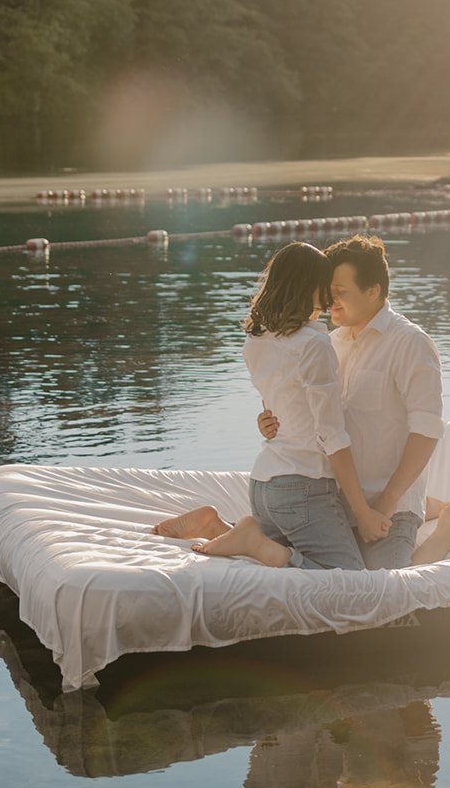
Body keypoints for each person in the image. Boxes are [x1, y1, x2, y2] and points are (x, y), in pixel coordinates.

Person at [152, 241, 389, 568]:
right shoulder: (314, 343)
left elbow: (278, 408)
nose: (332, 294)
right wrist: (362, 510)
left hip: (264, 485)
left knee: (273, 559)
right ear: (309, 285)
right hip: (302, 487)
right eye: (325, 283)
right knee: (349, 578)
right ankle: (249, 539)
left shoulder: (256, 339)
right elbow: (331, 434)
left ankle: (217, 528)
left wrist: (265, 421)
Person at [264, 235, 450, 568]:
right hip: (332, 502)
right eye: (327, 290)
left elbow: (426, 430)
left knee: (383, 585)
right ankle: (432, 505)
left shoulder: (411, 343)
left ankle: (446, 528)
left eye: (340, 292)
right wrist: (269, 421)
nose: (329, 300)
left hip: (387, 505)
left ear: (373, 291)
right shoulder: (324, 343)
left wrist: (388, 502)